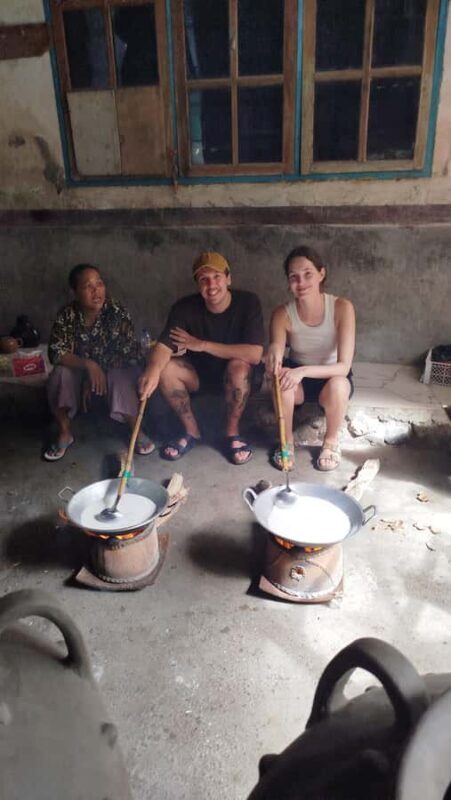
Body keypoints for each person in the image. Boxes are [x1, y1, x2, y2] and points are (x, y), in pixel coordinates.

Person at [138, 251, 264, 464]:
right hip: (199, 376)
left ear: (228, 279)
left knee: (238, 368)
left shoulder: (248, 303)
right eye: (204, 279)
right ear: (197, 284)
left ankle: (232, 433)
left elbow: (254, 354)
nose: (211, 285)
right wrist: (152, 369)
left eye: (217, 277)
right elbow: (164, 346)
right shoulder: (184, 307)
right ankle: (191, 431)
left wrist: (202, 345)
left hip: (238, 378)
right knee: (166, 369)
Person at [44, 263, 154, 461]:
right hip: (80, 374)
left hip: (111, 371)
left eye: (99, 284)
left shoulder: (116, 311)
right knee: (60, 374)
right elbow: (56, 352)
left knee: (122, 374)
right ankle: (65, 431)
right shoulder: (67, 315)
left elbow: (125, 352)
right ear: (75, 292)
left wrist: (97, 372)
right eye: (88, 286)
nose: (96, 291)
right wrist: (88, 366)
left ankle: (135, 429)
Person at [266, 245, 355, 472]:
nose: (301, 282)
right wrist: (274, 353)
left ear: (321, 274)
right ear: (288, 282)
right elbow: (277, 345)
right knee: (282, 381)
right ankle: (286, 442)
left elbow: (344, 367)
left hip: (330, 375)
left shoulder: (342, 308)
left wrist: (303, 371)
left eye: (308, 274)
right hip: (298, 378)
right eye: (293, 277)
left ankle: (330, 442)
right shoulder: (282, 313)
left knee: (340, 385)